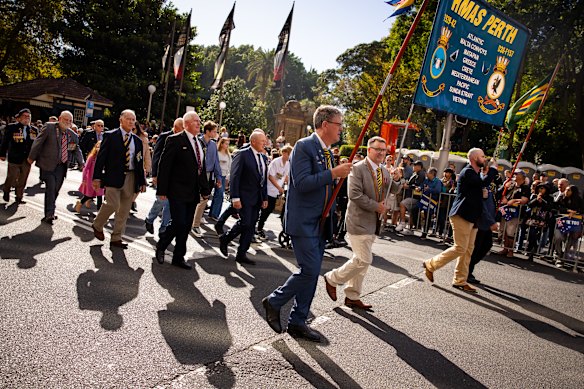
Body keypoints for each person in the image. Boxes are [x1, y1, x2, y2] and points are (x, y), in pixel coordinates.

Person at [262, 105, 352, 342]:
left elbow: (324, 187)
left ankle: (297, 321)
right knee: (309, 270)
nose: (341, 129)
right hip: (303, 221)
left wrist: (337, 177)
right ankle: (274, 301)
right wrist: (333, 174)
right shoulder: (304, 146)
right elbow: (301, 183)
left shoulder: (328, 152)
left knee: (311, 274)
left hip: (320, 223)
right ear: (325, 125)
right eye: (339, 124)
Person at [323, 136, 390, 310]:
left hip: (373, 223)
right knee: (365, 259)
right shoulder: (357, 169)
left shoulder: (383, 170)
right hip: (358, 222)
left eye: (384, 150)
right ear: (369, 150)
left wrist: (397, 179)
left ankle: (352, 296)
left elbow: (392, 188)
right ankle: (332, 278)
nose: (382, 153)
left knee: (359, 260)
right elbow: (355, 195)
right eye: (378, 149)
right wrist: (377, 207)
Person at [422, 148, 497, 293]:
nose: (484, 158)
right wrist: (493, 169)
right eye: (482, 156)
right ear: (475, 158)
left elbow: (479, 190)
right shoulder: (467, 172)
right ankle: (430, 264)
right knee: (460, 248)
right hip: (461, 215)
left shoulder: (476, 174)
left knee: (468, 250)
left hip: (472, 217)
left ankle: (460, 280)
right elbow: (482, 183)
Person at [155, 111, 210, 269]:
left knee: (186, 226)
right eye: (196, 121)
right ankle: (162, 245)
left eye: (199, 121)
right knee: (179, 222)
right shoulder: (175, 140)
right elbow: (164, 166)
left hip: (192, 192)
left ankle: (178, 257)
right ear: (186, 124)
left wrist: (205, 190)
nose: (199, 124)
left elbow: (201, 168)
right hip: (177, 190)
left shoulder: (199, 143)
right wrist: (162, 190)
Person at [91, 109, 147, 248]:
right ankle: (98, 224)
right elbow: (101, 158)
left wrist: (142, 181)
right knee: (112, 204)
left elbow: (139, 163)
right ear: (120, 120)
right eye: (128, 118)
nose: (131, 121)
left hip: (131, 176)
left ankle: (116, 237)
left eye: (133, 119)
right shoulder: (110, 136)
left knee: (124, 209)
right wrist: (97, 177)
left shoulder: (138, 141)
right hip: (113, 176)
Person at [218, 131, 269, 265]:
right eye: (262, 141)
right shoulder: (242, 154)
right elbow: (235, 177)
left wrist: (264, 198)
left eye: (265, 141)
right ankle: (225, 238)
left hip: (257, 198)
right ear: (253, 142)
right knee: (245, 222)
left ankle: (242, 253)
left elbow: (263, 180)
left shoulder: (263, 158)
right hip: (244, 197)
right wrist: (235, 198)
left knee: (251, 226)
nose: (265, 143)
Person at [27, 111, 84, 224]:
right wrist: (31, 157)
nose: (67, 122)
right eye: (65, 119)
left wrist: (82, 163)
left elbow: (76, 149)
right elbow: (38, 142)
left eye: (70, 121)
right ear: (59, 118)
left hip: (61, 167)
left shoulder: (72, 135)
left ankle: (50, 210)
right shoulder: (49, 127)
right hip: (48, 164)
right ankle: (50, 214)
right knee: (51, 188)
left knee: (55, 190)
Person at [144, 117, 183, 235]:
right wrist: (155, 174)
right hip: (163, 174)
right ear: (176, 128)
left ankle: (164, 228)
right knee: (161, 201)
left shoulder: (184, 138)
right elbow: (156, 155)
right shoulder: (165, 136)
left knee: (169, 203)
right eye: (182, 128)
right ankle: (150, 219)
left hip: (175, 177)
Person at [467, 163, 498, 284]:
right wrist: (491, 222)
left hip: (486, 221)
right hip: (480, 221)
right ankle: (467, 271)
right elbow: (481, 205)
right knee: (476, 248)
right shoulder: (480, 180)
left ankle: (468, 268)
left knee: (486, 245)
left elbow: (490, 199)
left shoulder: (488, 183)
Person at [1, 108, 37, 204]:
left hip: (27, 159)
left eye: (28, 117)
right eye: (24, 116)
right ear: (19, 118)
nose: (26, 118)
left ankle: (19, 196)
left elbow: (36, 145)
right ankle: (6, 190)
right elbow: (5, 141)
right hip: (14, 157)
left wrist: (34, 157)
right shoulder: (12, 127)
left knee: (23, 178)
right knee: (12, 177)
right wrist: (2, 154)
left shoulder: (34, 130)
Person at [192, 121, 222, 237]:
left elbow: (216, 162)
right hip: (197, 174)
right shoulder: (197, 142)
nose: (216, 133)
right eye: (214, 131)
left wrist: (218, 177)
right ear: (207, 131)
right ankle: (195, 225)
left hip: (209, 175)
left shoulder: (213, 144)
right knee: (198, 199)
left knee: (204, 199)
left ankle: (195, 222)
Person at [256, 145, 292, 239]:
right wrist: (279, 187)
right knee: (265, 209)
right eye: (289, 154)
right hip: (269, 189)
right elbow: (271, 176)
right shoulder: (276, 162)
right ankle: (258, 228)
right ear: (284, 153)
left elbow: (285, 177)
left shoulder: (288, 164)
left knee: (269, 209)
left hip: (276, 190)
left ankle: (259, 227)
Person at [497, 169, 529, 258]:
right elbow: (502, 194)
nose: (514, 175)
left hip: (515, 213)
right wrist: (504, 188)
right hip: (506, 211)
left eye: (516, 173)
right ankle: (505, 248)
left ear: (522, 177)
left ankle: (510, 250)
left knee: (511, 232)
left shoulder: (525, 187)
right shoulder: (511, 185)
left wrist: (514, 200)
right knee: (504, 231)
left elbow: (524, 200)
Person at [75, 141, 104, 213]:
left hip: (100, 179)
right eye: (98, 146)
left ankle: (99, 213)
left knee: (99, 195)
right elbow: (86, 168)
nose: (99, 148)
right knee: (89, 195)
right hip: (90, 179)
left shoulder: (104, 157)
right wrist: (84, 178)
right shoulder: (92, 157)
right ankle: (80, 203)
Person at [209, 137, 232, 220]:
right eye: (226, 143)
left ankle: (213, 213)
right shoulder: (217, 153)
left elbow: (230, 166)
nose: (227, 146)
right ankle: (214, 214)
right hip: (217, 175)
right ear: (221, 144)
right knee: (219, 195)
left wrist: (228, 178)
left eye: (228, 144)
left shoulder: (228, 155)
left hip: (224, 176)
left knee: (218, 195)